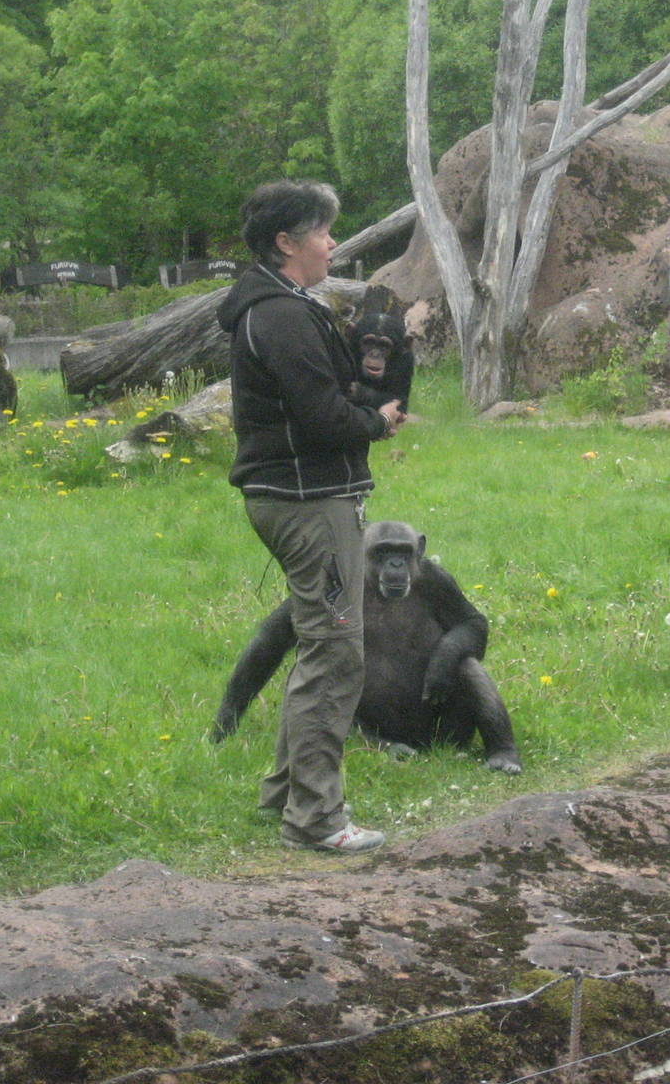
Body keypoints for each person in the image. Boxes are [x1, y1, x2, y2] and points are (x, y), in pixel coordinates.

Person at [217, 179, 405, 853]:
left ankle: (285, 795)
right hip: (306, 505)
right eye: (322, 232)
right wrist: (375, 423)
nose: (332, 242)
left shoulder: (283, 306)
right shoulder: (282, 316)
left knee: (320, 648)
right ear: (286, 243)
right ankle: (317, 819)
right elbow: (323, 419)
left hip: (299, 499)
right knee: (335, 655)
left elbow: (320, 395)